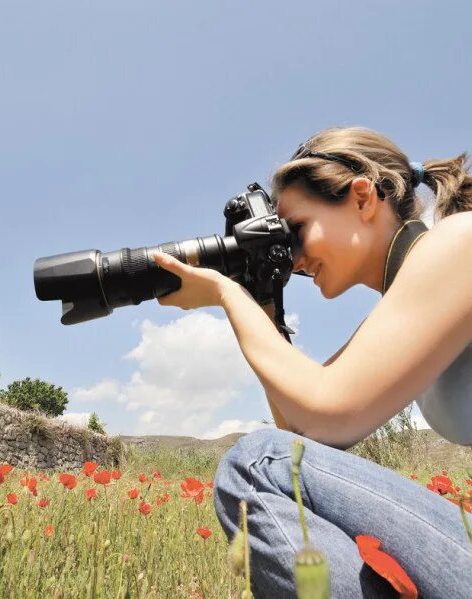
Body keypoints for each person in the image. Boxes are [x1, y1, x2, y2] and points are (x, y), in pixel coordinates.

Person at [153, 126, 472, 598]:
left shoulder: (459, 241)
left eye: (295, 231)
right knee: (270, 461)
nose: (294, 259)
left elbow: (326, 412)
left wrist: (226, 293)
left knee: (255, 464)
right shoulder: (404, 308)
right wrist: (262, 303)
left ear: (363, 197)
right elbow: (303, 434)